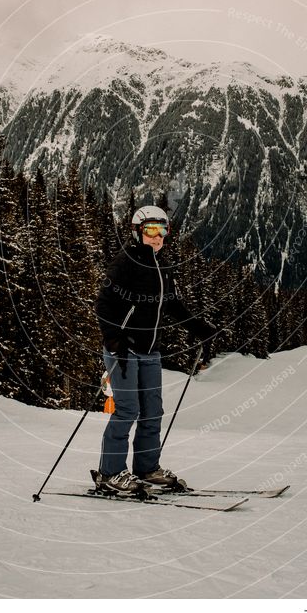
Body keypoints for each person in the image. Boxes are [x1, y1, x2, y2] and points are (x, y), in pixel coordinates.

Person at [94, 205, 216, 495]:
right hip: (124, 349)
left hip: (150, 351)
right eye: (150, 230)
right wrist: (114, 340)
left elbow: (171, 305)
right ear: (138, 232)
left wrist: (198, 328)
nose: (157, 236)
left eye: (162, 230)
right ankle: (110, 474)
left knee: (152, 413)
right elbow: (103, 304)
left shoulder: (161, 266)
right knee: (127, 410)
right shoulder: (126, 263)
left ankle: (147, 469)